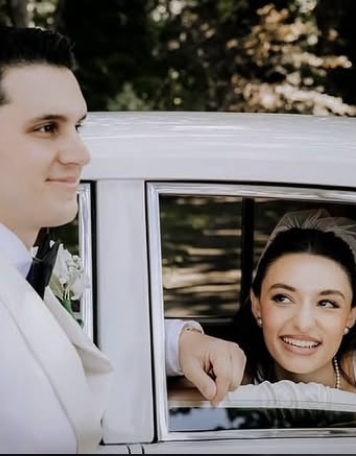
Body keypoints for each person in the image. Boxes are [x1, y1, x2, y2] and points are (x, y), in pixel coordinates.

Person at [0, 26, 245, 453]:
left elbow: (51, 351)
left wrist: (177, 342)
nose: (80, 153)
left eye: (76, 126)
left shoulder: (23, 267)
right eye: (45, 128)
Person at [233, 209, 356, 393]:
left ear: (351, 316)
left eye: (327, 303)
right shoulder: (227, 384)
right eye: (282, 298)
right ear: (256, 304)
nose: (303, 324)